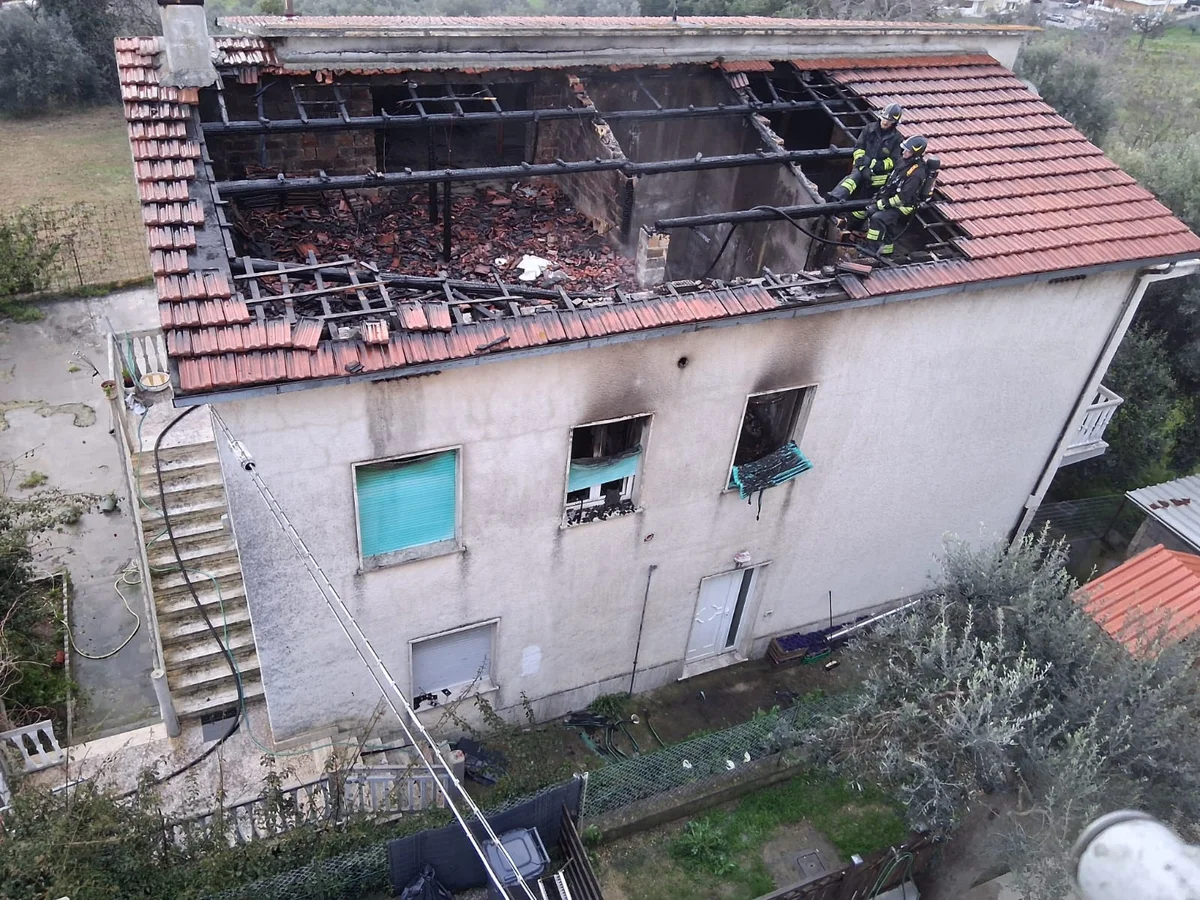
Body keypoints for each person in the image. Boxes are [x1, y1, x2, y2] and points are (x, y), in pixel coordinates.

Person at [827, 103, 904, 227]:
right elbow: (858, 149)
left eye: (889, 120)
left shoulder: (897, 139)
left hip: (878, 176)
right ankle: (833, 201)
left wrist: (875, 166)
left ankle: (852, 224)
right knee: (851, 180)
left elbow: (892, 161)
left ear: (894, 123)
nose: (885, 122)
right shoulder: (869, 129)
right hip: (861, 167)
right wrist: (863, 167)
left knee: (865, 202)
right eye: (884, 118)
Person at [861, 135, 937, 257]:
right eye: (905, 149)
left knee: (878, 218)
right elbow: (893, 180)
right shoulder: (903, 162)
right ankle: (887, 250)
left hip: (904, 205)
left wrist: (883, 204)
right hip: (893, 198)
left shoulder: (917, 174)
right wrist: (881, 195)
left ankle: (870, 252)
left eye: (908, 151)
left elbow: (903, 198)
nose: (904, 152)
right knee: (876, 214)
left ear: (915, 154)